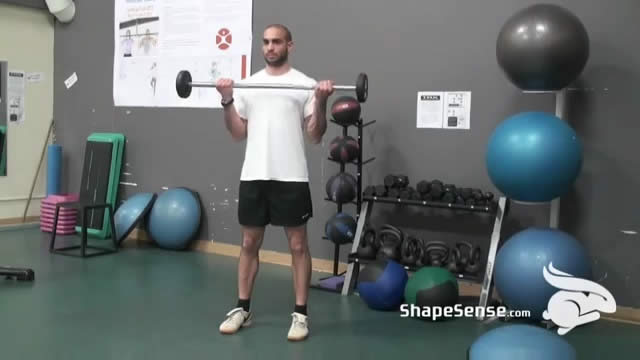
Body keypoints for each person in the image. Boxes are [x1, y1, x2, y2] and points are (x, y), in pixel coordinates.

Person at [215, 24, 334, 341]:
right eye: (266, 42)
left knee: (298, 246)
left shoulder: (304, 84)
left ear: (289, 46)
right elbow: (238, 133)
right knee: (248, 244)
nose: (270, 47)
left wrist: (321, 101)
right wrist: (227, 100)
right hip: (254, 174)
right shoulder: (248, 85)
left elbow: (316, 134)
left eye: (276, 42)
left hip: (291, 176)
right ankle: (242, 308)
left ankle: (301, 315)